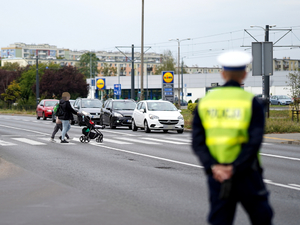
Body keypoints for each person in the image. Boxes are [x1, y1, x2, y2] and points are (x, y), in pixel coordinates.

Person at [192, 51, 273, 225]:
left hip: (218, 175)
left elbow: (197, 142)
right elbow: (254, 142)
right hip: (247, 174)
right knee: (262, 217)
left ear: (222, 73)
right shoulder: (251, 102)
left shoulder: (206, 102)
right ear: (245, 74)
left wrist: (214, 166)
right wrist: (235, 168)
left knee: (220, 220)